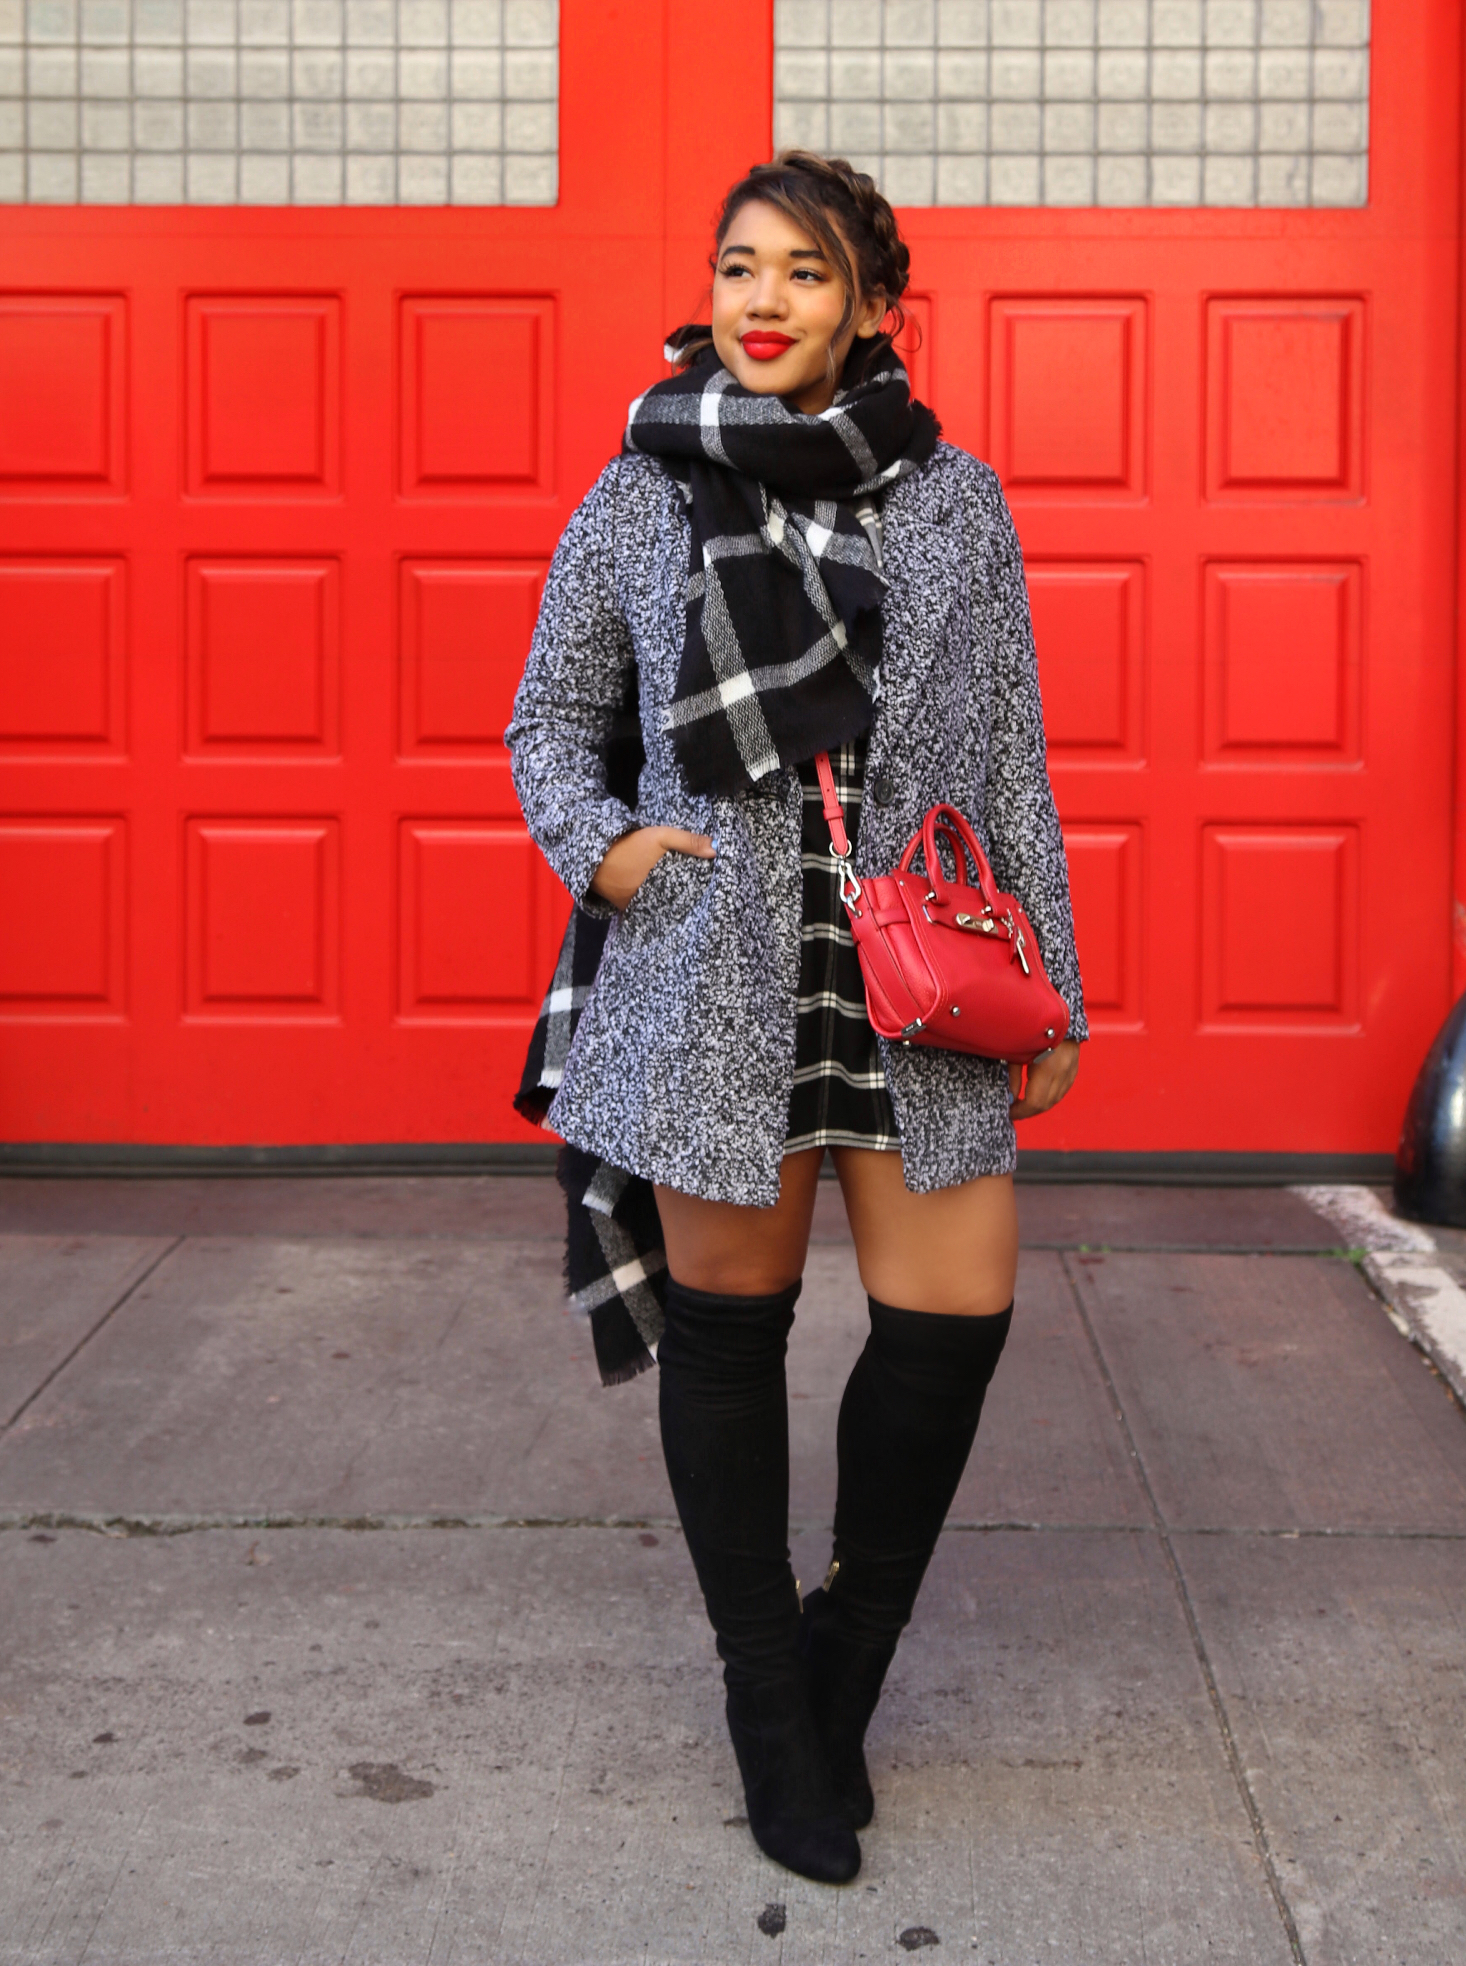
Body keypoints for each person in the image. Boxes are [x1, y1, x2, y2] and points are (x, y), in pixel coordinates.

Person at [506, 152, 1085, 1888]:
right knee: (731, 1334)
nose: (763, 301)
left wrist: (1054, 971)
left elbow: (1005, 759)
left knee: (947, 1326)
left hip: (922, 974)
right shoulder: (638, 494)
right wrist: (608, 855)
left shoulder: (955, 504)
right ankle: (773, 1706)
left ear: (872, 311)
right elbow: (550, 721)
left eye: (806, 276)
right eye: (740, 266)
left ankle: (847, 1656)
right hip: (714, 972)